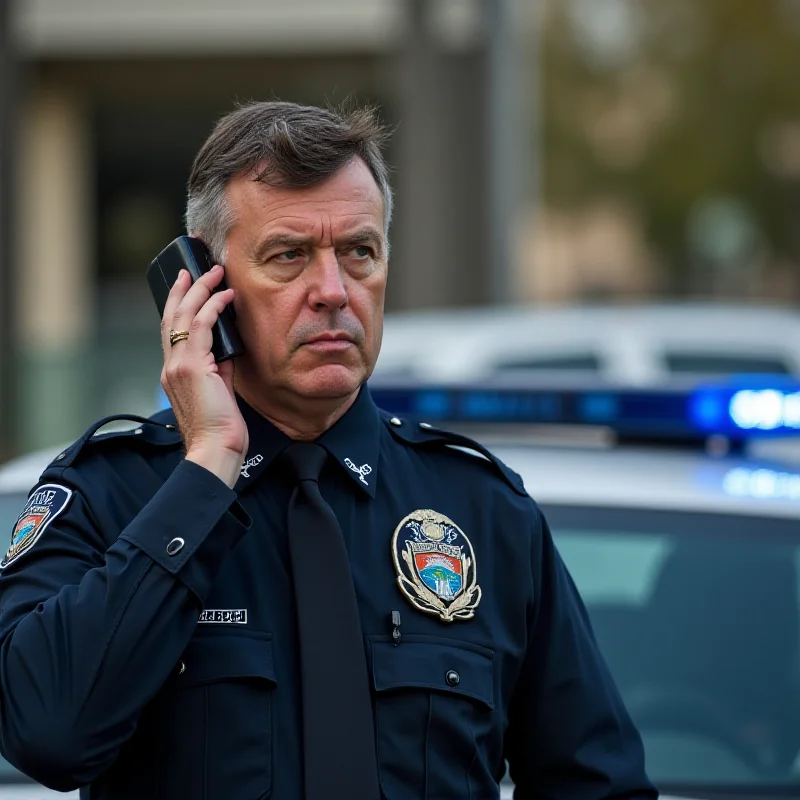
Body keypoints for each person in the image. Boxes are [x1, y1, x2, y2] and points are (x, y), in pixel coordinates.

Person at [0, 100, 657, 800]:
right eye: (289, 256)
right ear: (199, 284)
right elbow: (47, 735)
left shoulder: (483, 508)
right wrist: (209, 468)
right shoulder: (114, 495)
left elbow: (598, 785)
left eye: (359, 252)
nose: (335, 292)